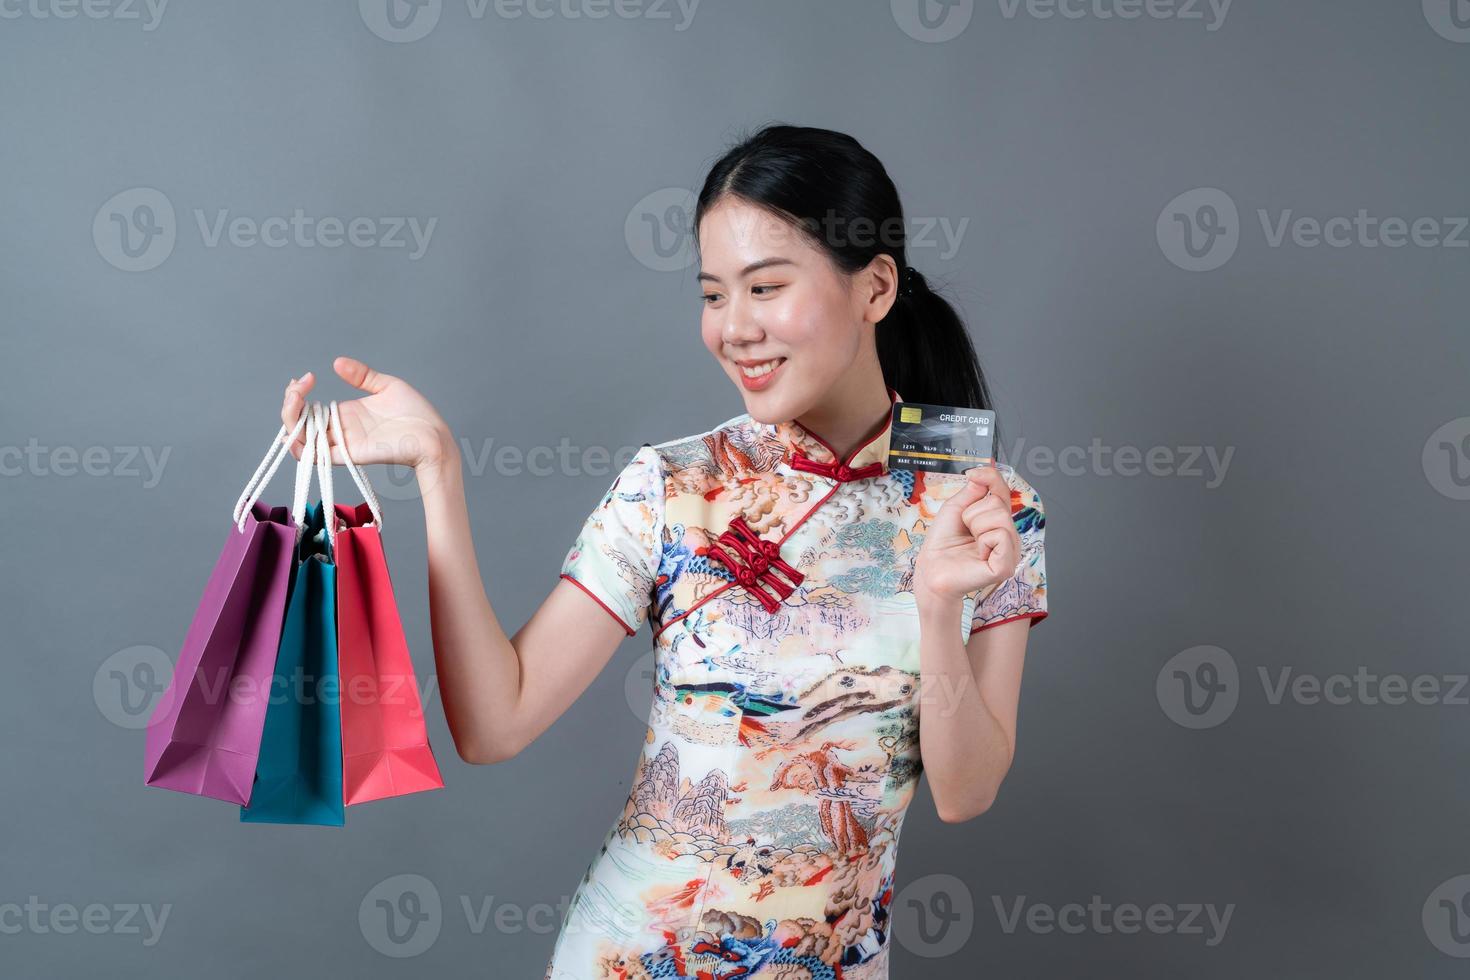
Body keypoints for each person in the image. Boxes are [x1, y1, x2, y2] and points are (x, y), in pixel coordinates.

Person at [281, 124, 1047, 979]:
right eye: (714, 295)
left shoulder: (988, 506)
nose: (735, 328)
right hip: (632, 958)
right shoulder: (675, 486)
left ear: (874, 288)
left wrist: (938, 605)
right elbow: (495, 723)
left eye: (765, 286)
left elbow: (967, 791)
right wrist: (438, 474)